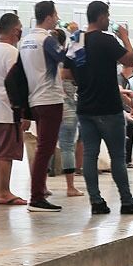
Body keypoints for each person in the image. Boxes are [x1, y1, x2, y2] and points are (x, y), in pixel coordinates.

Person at [61, 2, 133, 216]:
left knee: (90, 155)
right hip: (108, 107)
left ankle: (96, 202)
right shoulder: (107, 39)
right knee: (118, 157)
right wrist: (125, 36)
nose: (109, 20)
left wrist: (85, 80)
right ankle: (127, 202)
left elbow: (65, 74)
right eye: (108, 16)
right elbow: (129, 60)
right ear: (101, 17)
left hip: (85, 106)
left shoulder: (76, 40)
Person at [19, 0, 66, 212]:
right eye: (55, 15)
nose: (57, 19)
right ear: (48, 16)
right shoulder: (46, 40)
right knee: (45, 149)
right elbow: (66, 58)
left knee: (42, 148)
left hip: (35, 98)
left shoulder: (26, 40)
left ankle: (39, 191)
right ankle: (37, 197)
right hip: (50, 98)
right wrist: (76, 40)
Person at [0, 12, 27, 206]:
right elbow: (14, 83)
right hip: (9, 109)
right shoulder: (11, 52)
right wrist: (22, 111)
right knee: (6, 154)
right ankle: (4, 192)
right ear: (16, 30)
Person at [53, 29, 82, 197]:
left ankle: (41, 185)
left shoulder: (48, 59)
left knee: (46, 146)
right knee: (68, 146)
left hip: (49, 103)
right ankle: (70, 187)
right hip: (69, 104)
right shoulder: (71, 58)